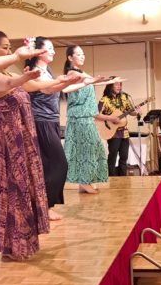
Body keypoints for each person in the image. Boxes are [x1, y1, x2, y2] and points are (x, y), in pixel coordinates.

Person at [0, 31, 72, 259]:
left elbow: (37, 86)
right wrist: (25, 76)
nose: (9, 52)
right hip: (6, 142)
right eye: (4, 48)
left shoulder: (9, 72)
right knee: (12, 190)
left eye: (9, 48)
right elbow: (12, 83)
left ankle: (22, 242)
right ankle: (11, 245)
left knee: (24, 189)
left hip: (22, 141)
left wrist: (64, 81)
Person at [25, 37, 83, 221]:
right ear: (38, 51)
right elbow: (48, 90)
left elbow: (57, 89)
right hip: (40, 122)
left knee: (47, 166)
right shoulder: (34, 72)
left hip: (51, 122)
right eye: (49, 48)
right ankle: (45, 206)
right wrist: (64, 80)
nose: (53, 51)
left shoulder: (46, 71)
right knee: (59, 164)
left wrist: (75, 82)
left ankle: (44, 207)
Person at [63, 45, 120, 194]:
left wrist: (110, 81)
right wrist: (103, 81)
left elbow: (92, 81)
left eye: (83, 54)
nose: (82, 56)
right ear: (70, 57)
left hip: (85, 117)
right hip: (80, 117)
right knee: (86, 150)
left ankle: (85, 181)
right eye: (79, 54)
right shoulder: (72, 73)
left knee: (92, 148)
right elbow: (89, 81)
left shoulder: (80, 72)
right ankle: (84, 181)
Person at [98, 79, 137, 177]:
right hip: (112, 131)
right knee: (113, 156)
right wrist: (111, 118)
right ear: (110, 86)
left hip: (124, 131)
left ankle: (122, 178)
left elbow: (131, 111)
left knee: (124, 156)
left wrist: (137, 112)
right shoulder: (104, 99)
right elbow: (97, 115)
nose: (119, 86)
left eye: (120, 84)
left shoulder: (124, 98)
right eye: (116, 84)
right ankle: (111, 178)